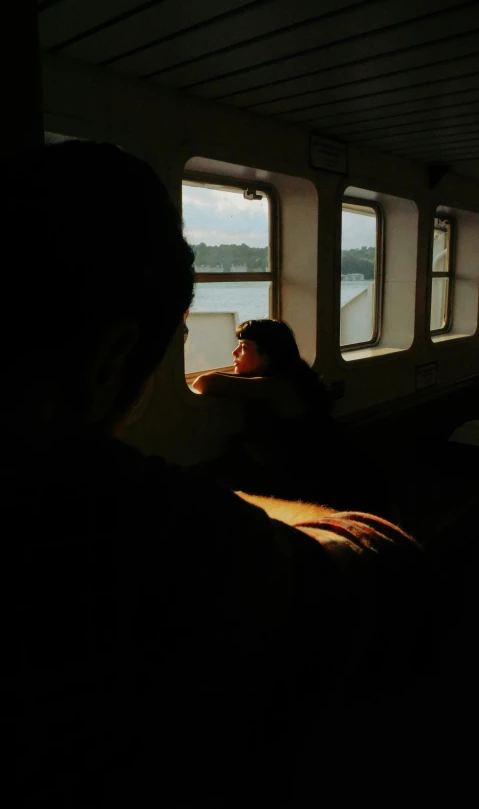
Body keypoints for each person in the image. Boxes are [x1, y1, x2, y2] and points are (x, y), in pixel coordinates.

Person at [1, 141, 425, 805]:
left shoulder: (273, 389)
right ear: (110, 360)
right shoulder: (134, 523)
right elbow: (384, 561)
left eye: (242, 347)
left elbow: (213, 387)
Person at [192, 319, 397, 518]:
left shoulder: (279, 387)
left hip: (318, 476)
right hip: (314, 468)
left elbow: (204, 383)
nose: (234, 353)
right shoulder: (293, 377)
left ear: (267, 357)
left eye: (244, 347)